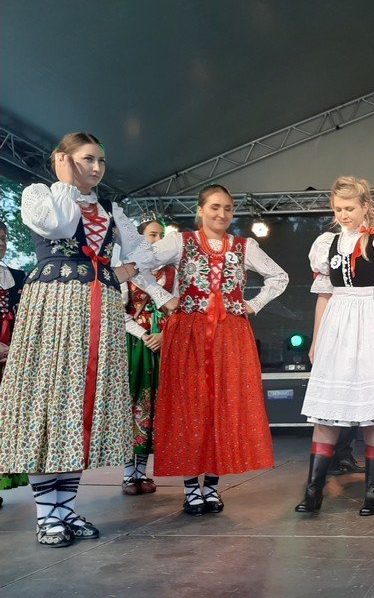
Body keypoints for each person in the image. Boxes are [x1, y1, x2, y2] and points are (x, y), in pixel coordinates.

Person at [0, 132, 177, 547]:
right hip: (54, 306)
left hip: (99, 308)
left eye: (101, 160)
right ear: (63, 159)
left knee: (82, 405)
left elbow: (145, 253)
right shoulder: (40, 193)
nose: (97, 168)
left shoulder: (110, 209)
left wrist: (127, 272)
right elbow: (59, 225)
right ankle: (47, 514)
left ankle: (65, 508)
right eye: (87, 159)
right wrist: (65, 180)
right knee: (51, 402)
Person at [150, 184, 288, 516]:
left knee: (223, 405)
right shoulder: (180, 241)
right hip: (189, 333)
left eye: (227, 208)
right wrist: (164, 298)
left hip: (230, 333)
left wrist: (251, 305)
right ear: (200, 210)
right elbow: (136, 264)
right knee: (189, 405)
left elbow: (279, 277)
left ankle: (211, 486)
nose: (221, 214)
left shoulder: (243, 246)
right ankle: (190, 489)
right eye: (215, 207)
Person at [296, 175, 374, 516]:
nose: (344, 214)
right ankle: (313, 490)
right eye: (338, 208)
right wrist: (317, 339)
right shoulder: (327, 244)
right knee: (327, 412)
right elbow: (324, 296)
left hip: (372, 322)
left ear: (366, 206)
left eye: (350, 208)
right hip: (338, 325)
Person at [120, 219, 178, 495]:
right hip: (135, 346)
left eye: (161, 235)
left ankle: (143, 472)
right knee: (133, 404)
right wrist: (144, 334)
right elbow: (117, 311)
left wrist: (164, 335)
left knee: (157, 406)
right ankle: (128, 475)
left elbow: (179, 309)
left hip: (166, 346)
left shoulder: (173, 272)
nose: (157, 239)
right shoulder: (126, 271)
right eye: (152, 235)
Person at [0, 220, 28, 507]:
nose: (0, 243)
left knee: (6, 420)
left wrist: (17, 347)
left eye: (3, 238)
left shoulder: (19, 277)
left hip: (12, 358)